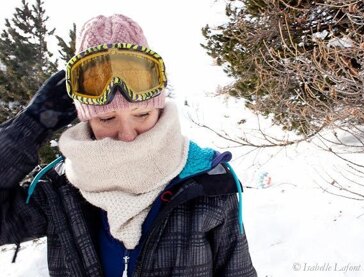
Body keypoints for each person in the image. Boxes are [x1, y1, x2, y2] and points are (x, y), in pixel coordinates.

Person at [0, 14, 257, 277]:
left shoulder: (207, 182)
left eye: (142, 114)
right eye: (107, 118)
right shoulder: (59, 192)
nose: (127, 134)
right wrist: (29, 126)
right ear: (87, 119)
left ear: (158, 109)